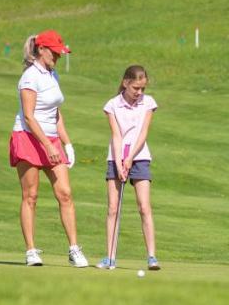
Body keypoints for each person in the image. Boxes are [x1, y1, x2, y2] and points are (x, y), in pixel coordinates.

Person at [10, 30, 90, 268]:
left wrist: (67, 143)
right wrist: (47, 145)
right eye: (55, 52)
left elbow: (55, 113)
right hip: (28, 137)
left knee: (65, 193)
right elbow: (29, 116)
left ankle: (74, 249)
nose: (58, 56)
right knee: (31, 196)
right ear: (41, 50)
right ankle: (31, 251)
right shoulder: (29, 77)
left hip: (52, 140)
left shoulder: (53, 75)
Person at [98, 65, 159, 271]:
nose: (139, 93)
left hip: (140, 156)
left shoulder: (148, 103)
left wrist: (130, 157)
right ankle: (110, 257)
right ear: (125, 83)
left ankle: (151, 256)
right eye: (135, 88)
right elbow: (116, 135)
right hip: (115, 157)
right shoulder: (112, 105)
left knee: (144, 206)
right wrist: (118, 162)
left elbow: (143, 134)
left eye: (142, 88)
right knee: (113, 208)